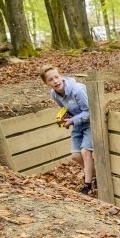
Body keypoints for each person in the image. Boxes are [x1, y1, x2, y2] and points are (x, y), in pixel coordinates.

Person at [40, 65, 95, 195]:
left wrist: (72, 120)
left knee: (85, 152)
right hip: (77, 124)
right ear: (46, 83)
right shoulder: (54, 94)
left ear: (61, 76)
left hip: (90, 123)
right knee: (76, 155)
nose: (55, 81)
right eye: (50, 79)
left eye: (56, 77)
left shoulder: (77, 90)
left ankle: (87, 185)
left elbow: (90, 111)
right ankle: (95, 175)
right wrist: (65, 119)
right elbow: (66, 110)